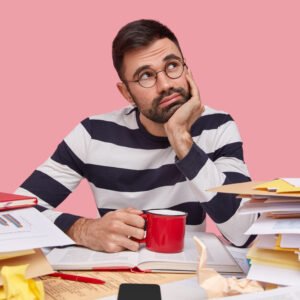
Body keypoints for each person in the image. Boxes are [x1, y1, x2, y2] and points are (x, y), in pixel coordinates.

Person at [16, 19, 257, 253]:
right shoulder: (93, 134)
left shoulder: (218, 127)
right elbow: (14, 214)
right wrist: (83, 230)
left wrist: (181, 139)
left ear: (187, 69)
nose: (164, 85)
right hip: (112, 276)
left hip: (188, 276)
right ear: (126, 93)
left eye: (172, 65)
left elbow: (244, 233)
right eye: (146, 75)